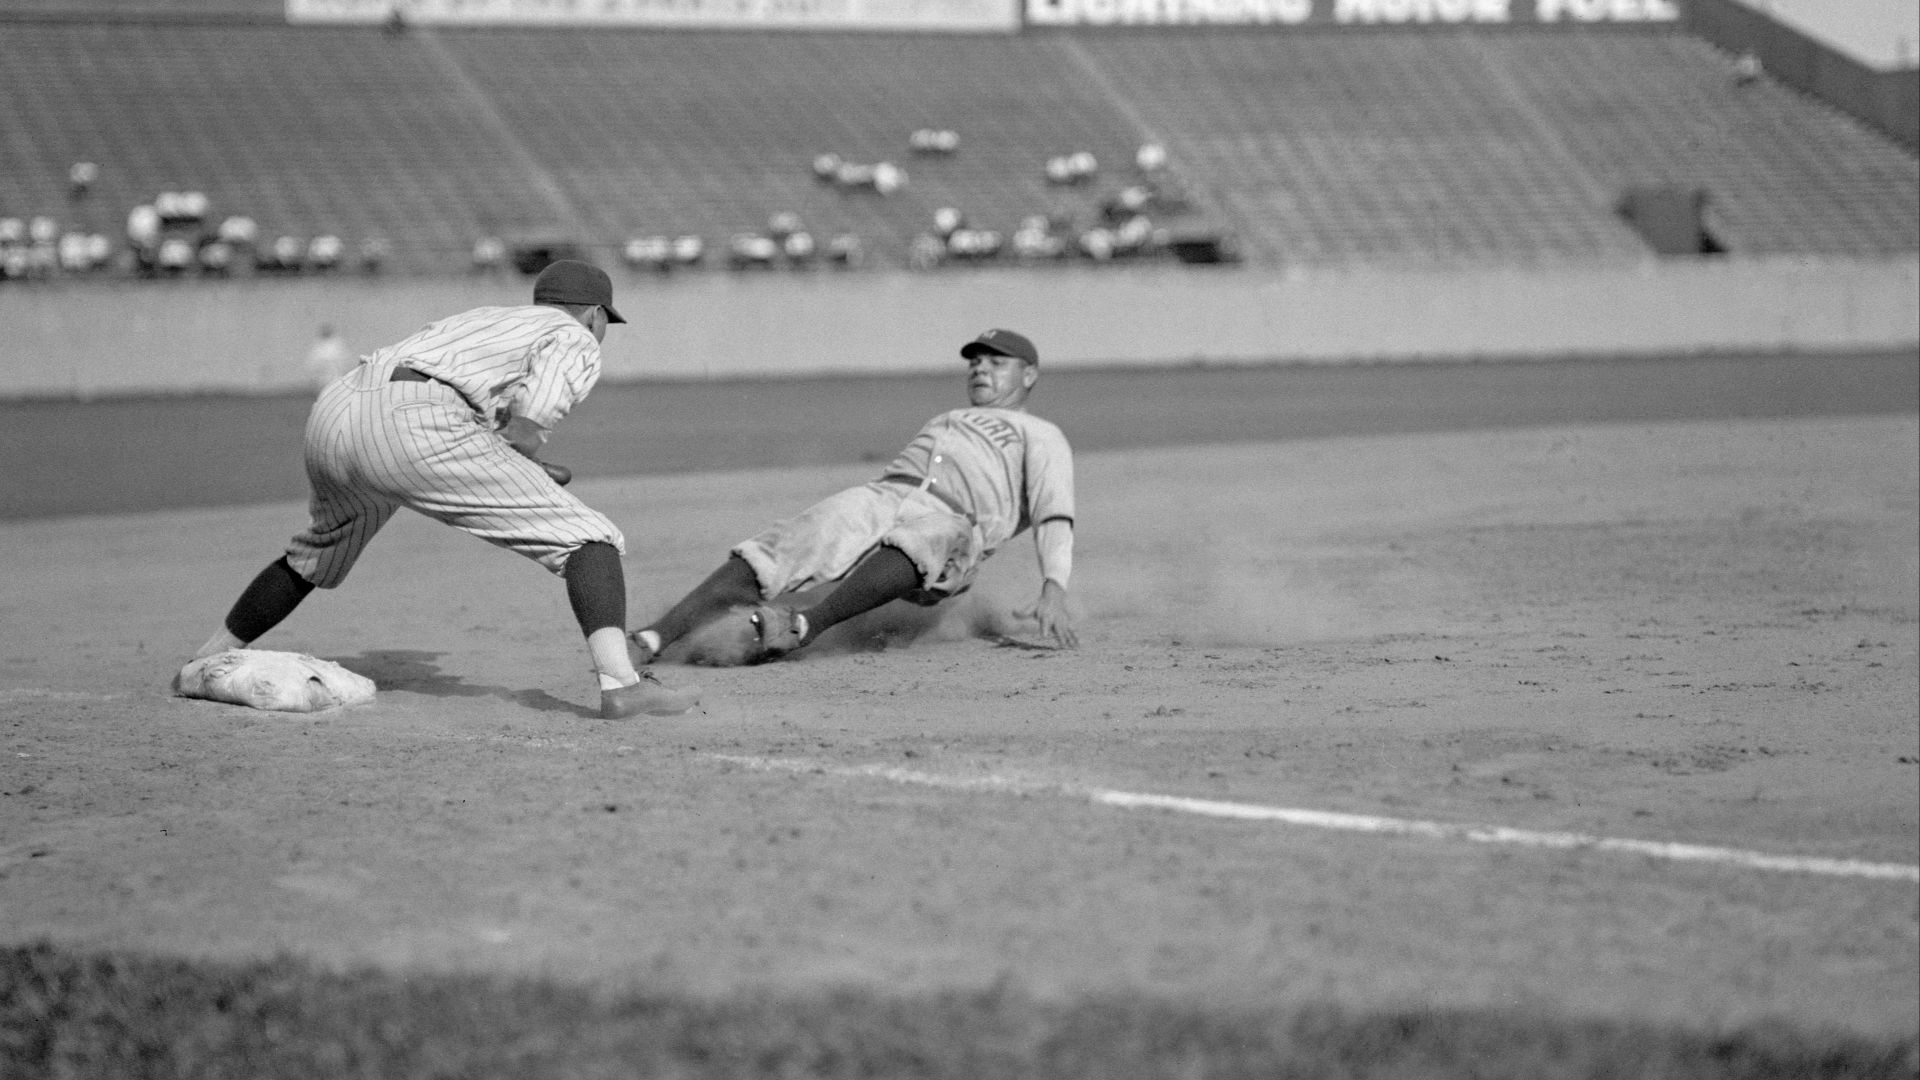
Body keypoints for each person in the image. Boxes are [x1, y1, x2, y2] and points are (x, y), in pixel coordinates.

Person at [190, 260, 700, 719]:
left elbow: (488, 431)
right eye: (605, 320)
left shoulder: (485, 321)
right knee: (590, 538)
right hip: (415, 421)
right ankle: (622, 685)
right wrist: (528, 445)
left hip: (338, 407)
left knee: (316, 554)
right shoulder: (573, 334)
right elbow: (532, 416)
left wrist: (518, 455)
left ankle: (206, 661)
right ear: (592, 314)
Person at [631, 328, 1077, 667]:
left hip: (957, 524)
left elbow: (1054, 511)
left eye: (997, 362)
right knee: (788, 541)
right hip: (886, 494)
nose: (980, 368)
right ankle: (655, 637)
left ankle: (807, 626)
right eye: (975, 362)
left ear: (1030, 374)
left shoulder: (1041, 433)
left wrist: (1053, 586)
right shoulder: (948, 417)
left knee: (930, 536)